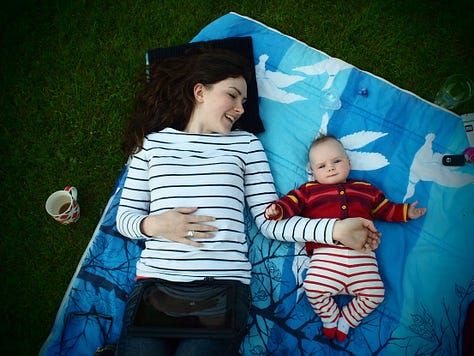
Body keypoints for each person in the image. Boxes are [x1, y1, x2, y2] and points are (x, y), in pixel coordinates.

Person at [115, 47, 381, 355]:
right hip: (157, 284)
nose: (241, 108)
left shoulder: (245, 144)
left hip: (222, 288)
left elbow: (271, 221)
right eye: (233, 95)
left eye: (244, 101)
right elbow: (125, 220)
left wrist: (336, 230)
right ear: (200, 91)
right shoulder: (153, 144)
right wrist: (155, 223)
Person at [265, 134, 427, 342]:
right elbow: (291, 203)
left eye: (337, 161)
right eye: (321, 166)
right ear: (312, 172)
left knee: (375, 294)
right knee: (313, 289)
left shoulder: (365, 189)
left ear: (349, 163)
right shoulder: (309, 191)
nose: (330, 168)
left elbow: (384, 209)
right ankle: (330, 318)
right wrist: (277, 209)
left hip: (363, 255)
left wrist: (405, 213)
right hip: (327, 256)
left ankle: (347, 321)